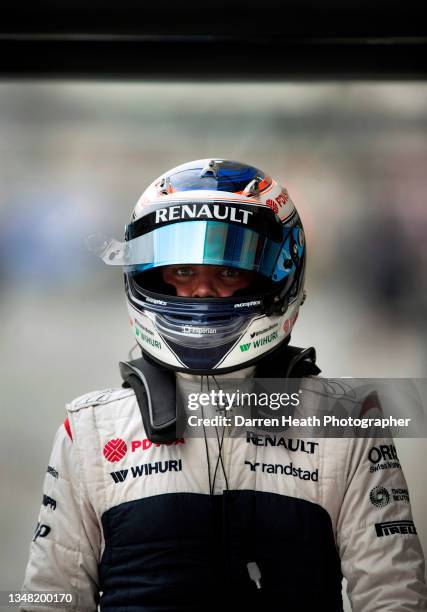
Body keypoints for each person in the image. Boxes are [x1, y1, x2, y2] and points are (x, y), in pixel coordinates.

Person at [21, 159, 427, 611]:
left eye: (229, 273)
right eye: (182, 272)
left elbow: (394, 596)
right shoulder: (90, 429)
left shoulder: (350, 420)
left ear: (280, 276)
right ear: (148, 276)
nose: (203, 292)